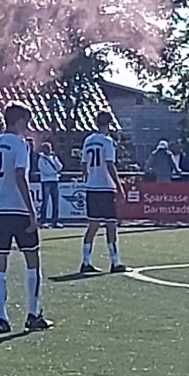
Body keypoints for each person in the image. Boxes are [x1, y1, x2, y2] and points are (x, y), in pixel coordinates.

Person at [0, 105, 52, 334]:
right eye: (26, 121)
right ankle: (32, 314)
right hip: (18, 210)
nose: (28, 126)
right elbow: (20, 176)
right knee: (32, 260)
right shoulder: (20, 144)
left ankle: (1, 318)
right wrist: (32, 211)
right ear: (19, 121)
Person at [80, 111, 127, 275]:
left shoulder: (88, 140)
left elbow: (83, 164)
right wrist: (119, 186)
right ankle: (115, 262)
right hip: (105, 187)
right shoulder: (107, 142)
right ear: (109, 124)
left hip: (92, 187)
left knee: (93, 225)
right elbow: (109, 165)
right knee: (111, 225)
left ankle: (85, 262)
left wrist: (88, 178)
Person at [38, 142, 63, 228]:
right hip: (46, 181)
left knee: (55, 202)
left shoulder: (53, 158)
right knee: (45, 201)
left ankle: (55, 221)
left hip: (55, 181)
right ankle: (43, 220)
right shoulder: (41, 159)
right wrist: (54, 172)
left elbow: (60, 167)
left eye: (50, 148)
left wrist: (55, 159)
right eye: (47, 148)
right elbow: (44, 170)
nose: (49, 150)